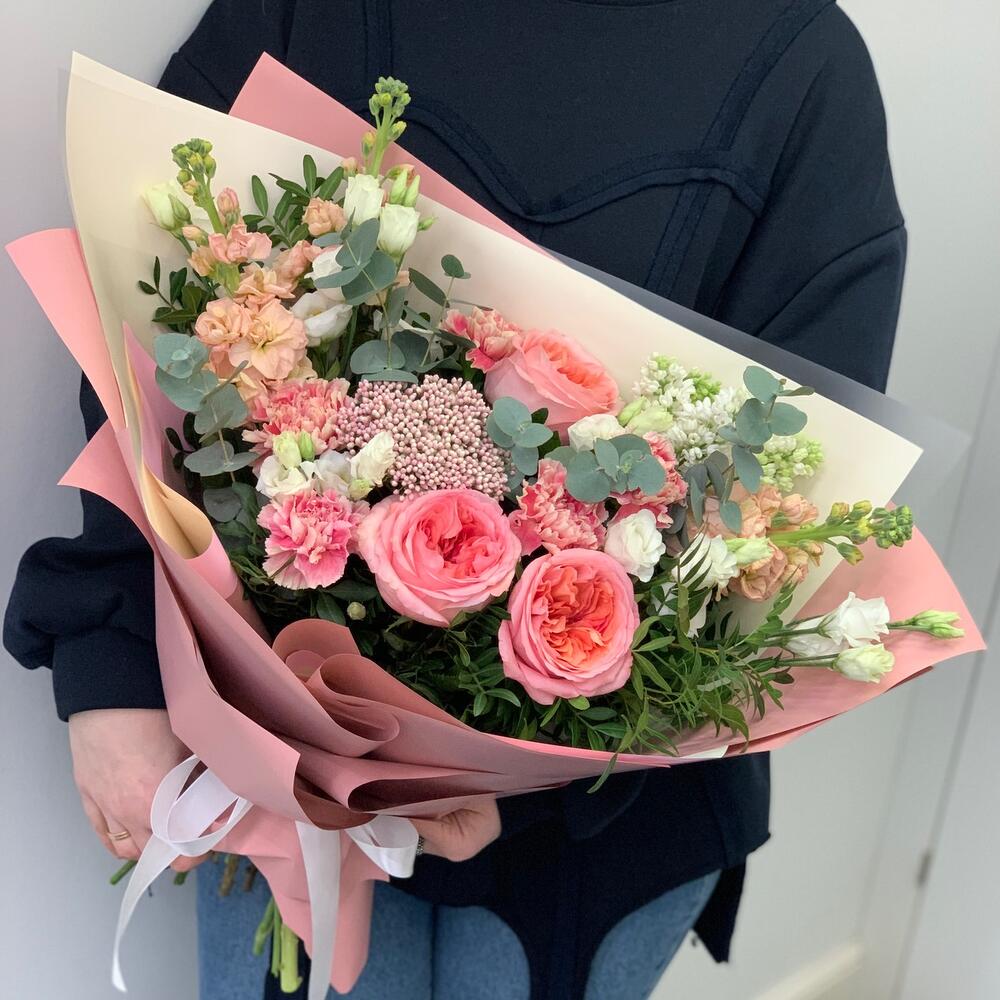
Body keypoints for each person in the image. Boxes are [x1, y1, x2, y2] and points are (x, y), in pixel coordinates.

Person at [4, 1, 906, 998]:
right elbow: (148, 325)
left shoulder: (803, 70)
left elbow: (788, 496)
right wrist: (118, 664)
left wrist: (507, 771)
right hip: (281, 753)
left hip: (607, 803)